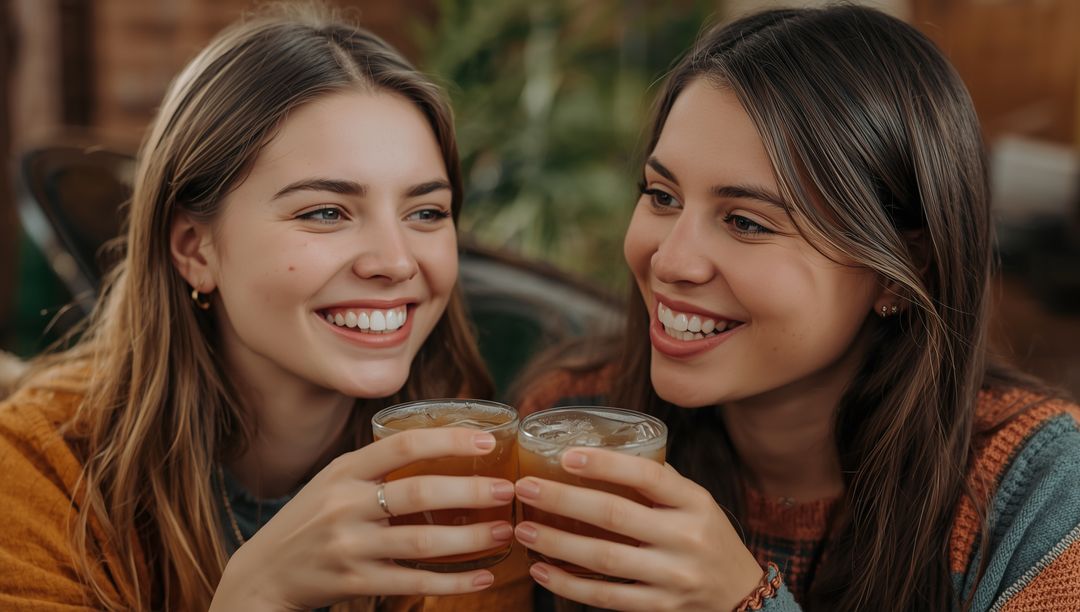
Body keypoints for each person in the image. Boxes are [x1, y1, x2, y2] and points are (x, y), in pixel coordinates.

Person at [512, 6, 1080, 611]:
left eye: (746, 222)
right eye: (662, 195)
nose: (671, 260)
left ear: (905, 270)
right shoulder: (571, 426)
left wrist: (743, 601)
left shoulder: (1041, 493)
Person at [0, 6, 531, 611]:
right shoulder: (36, 472)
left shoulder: (476, 481)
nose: (398, 261)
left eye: (426, 213)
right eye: (325, 212)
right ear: (195, 249)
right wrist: (256, 597)